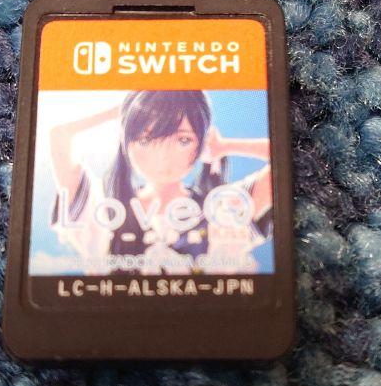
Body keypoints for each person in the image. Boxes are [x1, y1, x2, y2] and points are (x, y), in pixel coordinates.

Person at [46, 90, 272, 275]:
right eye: (146, 139)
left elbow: (282, 156)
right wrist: (121, 112)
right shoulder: (105, 213)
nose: (163, 155)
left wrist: (225, 147)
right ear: (127, 142)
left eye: (183, 140)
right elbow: (60, 135)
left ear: (201, 144)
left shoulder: (221, 210)